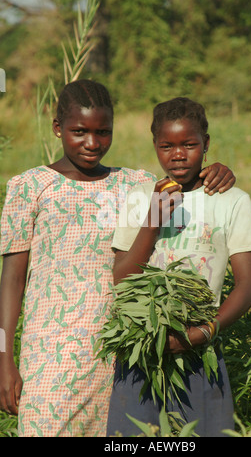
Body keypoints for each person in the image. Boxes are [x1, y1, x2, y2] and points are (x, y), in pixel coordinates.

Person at [0, 81, 236, 437]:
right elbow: (12, 281)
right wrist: (4, 358)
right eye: (79, 132)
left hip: (123, 357)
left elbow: (186, 176)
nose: (92, 144)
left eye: (103, 132)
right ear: (57, 127)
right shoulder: (30, 187)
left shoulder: (134, 183)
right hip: (50, 354)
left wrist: (218, 172)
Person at [106, 97, 251, 437]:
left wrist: (202, 333)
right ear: (155, 146)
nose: (178, 154)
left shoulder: (231, 201)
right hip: (141, 353)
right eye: (167, 146)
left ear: (206, 144)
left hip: (201, 351)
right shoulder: (139, 197)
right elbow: (122, 278)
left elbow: (247, 287)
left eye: (189, 144)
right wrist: (153, 220)